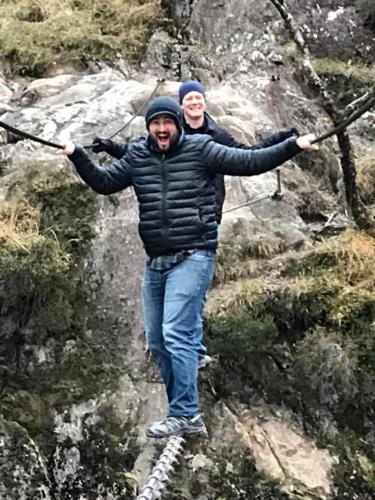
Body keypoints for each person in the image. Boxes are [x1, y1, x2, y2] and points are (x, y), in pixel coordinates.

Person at [58, 96, 317, 439]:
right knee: (157, 340)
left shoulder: (202, 148)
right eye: (156, 123)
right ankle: (184, 412)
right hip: (156, 262)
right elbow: (104, 182)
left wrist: (292, 145)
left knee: (176, 333)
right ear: (149, 127)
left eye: (168, 123)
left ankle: (184, 412)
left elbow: (250, 161)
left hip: (194, 254)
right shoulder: (137, 155)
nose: (162, 129)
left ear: (178, 124)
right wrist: (78, 154)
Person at [91, 80, 300, 368]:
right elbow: (141, 155)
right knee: (174, 313)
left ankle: (194, 350)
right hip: (170, 226)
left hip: (204, 214)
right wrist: (111, 147)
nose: (193, 103)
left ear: (204, 102)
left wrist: (285, 142)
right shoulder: (172, 131)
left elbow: (247, 156)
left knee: (189, 291)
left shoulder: (213, 136)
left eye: (197, 98)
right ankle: (192, 353)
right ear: (181, 106)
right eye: (188, 98)